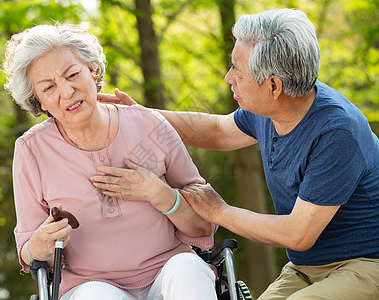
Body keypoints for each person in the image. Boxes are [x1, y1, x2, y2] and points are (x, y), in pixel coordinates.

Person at [97, 8, 379, 300]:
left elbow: (299, 234)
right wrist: (143, 117)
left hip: (365, 263)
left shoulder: (336, 133)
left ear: (273, 85)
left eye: (237, 71)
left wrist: (220, 211)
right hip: (306, 267)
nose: (227, 78)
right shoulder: (271, 109)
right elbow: (217, 131)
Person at [2, 24, 219, 300]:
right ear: (39, 102)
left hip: (169, 273)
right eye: (49, 87)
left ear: (92, 70)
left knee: (187, 268)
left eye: (73, 74)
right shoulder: (31, 151)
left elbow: (204, 225)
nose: (67, 91)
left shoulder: (150, 126)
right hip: (90, 286)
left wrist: (162, 195)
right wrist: (39, 244)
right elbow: (28, 252)